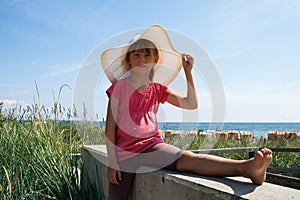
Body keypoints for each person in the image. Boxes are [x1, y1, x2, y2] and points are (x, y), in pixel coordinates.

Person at [101, 25, 272, 200]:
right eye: (136, 55)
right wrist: (112, 162)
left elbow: (191, 104)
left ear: (155, 60)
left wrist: (188, 72)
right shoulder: (119, 87)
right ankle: (247, 168)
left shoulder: (158, 89)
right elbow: (110, 127)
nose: (142, 59)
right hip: (124, 153)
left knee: (187, 158)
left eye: (147, 55)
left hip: (151, 146)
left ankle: (247, 168)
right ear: (128, 61)